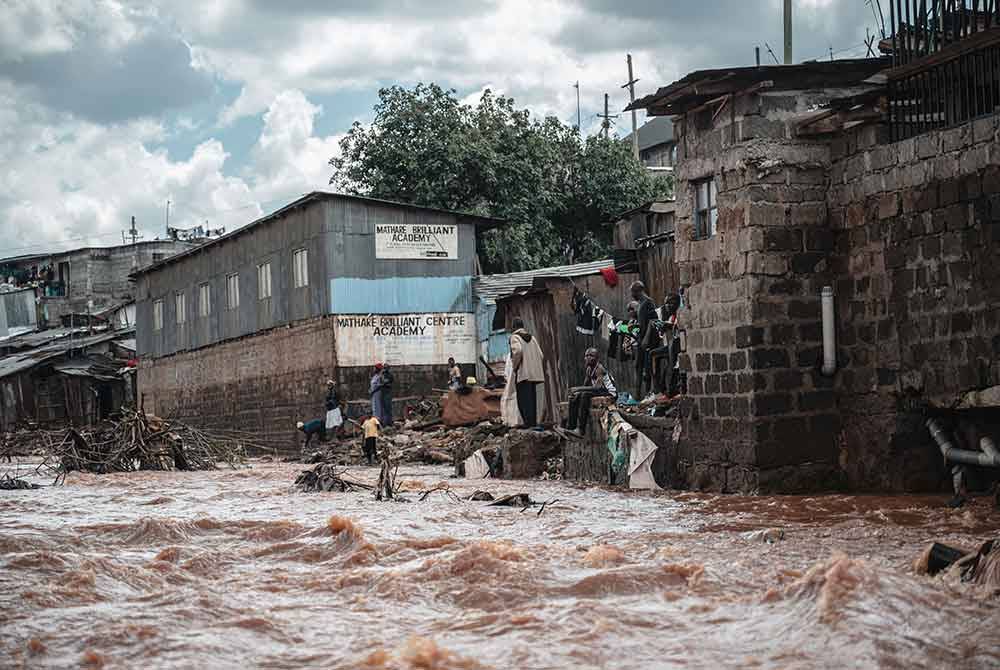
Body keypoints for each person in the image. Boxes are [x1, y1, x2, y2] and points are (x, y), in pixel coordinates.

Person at [564, 348, 617, 437]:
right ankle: (571, 426)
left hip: (609, 392)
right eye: (586, 356)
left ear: (597, 358)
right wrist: (577, 392)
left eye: (591, 356)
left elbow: (597, 388)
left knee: (585, 395)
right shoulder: (589, 369)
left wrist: (578, 389)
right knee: (575, 396)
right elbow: (585, 385)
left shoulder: (599, 369)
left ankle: (581, 430)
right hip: (600, 390)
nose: (588, 358)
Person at [505, 317, 545, 428]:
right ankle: (533, 424)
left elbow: (517, 351)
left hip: (523, 374)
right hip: (533, 375)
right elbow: (541, 355)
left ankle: (528, 424)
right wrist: (533, 366)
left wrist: (515, 366)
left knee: (523, 400)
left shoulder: (514, 337)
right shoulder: (532, 338)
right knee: (532, 399)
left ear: (514, 327)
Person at [649, 293, 682, 396]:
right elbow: (664, 331)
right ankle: (657, 388)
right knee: (653, 354)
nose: (667, 306)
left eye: (670, 303)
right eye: (666, 303)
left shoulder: (681, 314)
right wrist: (661, 326)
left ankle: (668, 389)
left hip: (680, 346)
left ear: (677, 304)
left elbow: (679, 329)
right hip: (671, 346)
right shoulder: (671, 317)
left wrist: (669, 326)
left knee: (671, 357)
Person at [630, 280, 658, 400]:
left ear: (639, 291)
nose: (632, 295)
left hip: (649, 340)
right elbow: (643, 322)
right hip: (641, 339)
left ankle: (649, 394)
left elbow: (653, 321)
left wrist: (646, 338)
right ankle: (638, 396)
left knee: (648, 367)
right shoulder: (640, 304)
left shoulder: (648, 302)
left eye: (633, 292)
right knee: (639, 366)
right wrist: (635, 326)